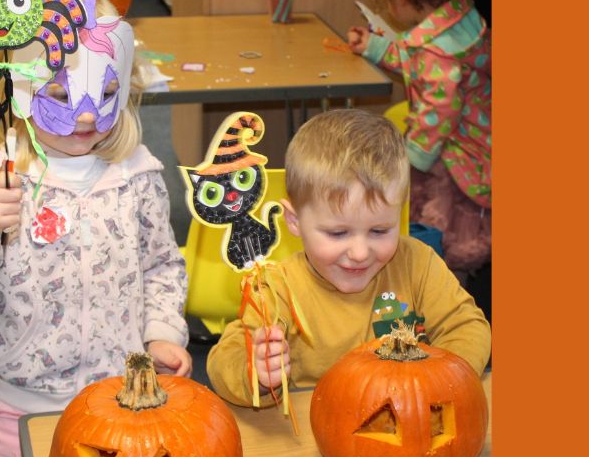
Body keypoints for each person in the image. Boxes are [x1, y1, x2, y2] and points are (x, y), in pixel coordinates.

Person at [0, 0, 191, 457]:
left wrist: (162, 333)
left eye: (104, 93)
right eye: (59, 93)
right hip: (21, 400)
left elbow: (162, 266)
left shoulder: (139, 174)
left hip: (114, 396)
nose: (83, 114)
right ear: (18, 90)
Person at [206, 109, 490, 408]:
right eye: (338, 233)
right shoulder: (276, 287)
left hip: (409, 417)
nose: (359, 253)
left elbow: (468, 328)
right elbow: (224, 359)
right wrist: (258, 374)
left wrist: (439, 383)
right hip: (314, 430)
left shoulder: (417, 263)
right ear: (295, 221)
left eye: (380, 230)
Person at [347, 0, 491, 283]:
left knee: (448, 238)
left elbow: (440, 109)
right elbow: (418, 61)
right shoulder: (457, 18)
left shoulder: (435, 50)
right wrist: (375, 46)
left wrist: (410, 160)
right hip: (472, 140)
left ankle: (448, 296)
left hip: (455, 159)